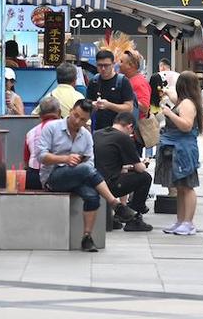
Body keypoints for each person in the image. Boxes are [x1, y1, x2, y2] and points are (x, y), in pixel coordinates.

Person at [38, 100, 132, 251]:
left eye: (82, 119)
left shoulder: (87, 136)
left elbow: (90, 163)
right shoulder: (52, 128)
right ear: (70, 111)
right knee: (85, 171)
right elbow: (41, 156)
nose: (77, 121)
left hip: (78, 177)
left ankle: (87, 237)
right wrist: (65, 159)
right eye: (75, 115)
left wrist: (78, 164)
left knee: (92, 196)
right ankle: (115, 204)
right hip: (53, 177)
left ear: (87, 120)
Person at [158, 71, 203, 235]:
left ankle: (188, 222)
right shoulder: (183, 101)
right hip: (178, 148)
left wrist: (170, 114)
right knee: (180, 186)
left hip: (183, 150)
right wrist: (166, 90)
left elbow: (186, 125)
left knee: (187, 186)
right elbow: (172, 96)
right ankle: (180, 220)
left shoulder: (187, 104)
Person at [93, 113, 153, 230]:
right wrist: (145, 164)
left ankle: (117, 217)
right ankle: (134, 217)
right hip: (110, 185)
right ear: (130, 127)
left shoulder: (97, 134)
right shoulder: (123, 138)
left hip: (96, 182)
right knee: (145, 178)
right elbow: (139, 168)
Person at [84, 49, 137, 134]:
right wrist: (92, 105)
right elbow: (87, 104)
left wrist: (109, 105)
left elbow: (129, 108)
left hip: (118, 131)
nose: (103, 69)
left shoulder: (123, 81)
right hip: (98, 130)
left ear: (113, 64)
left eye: (106, 65)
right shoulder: (94, 81)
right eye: (100, 65)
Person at [22, 95, 61, 190]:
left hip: (33, 178)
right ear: (59, 112)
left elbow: (26, 163)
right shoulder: (64, 129)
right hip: (56, 177)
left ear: (40, 114)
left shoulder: (30, 133)